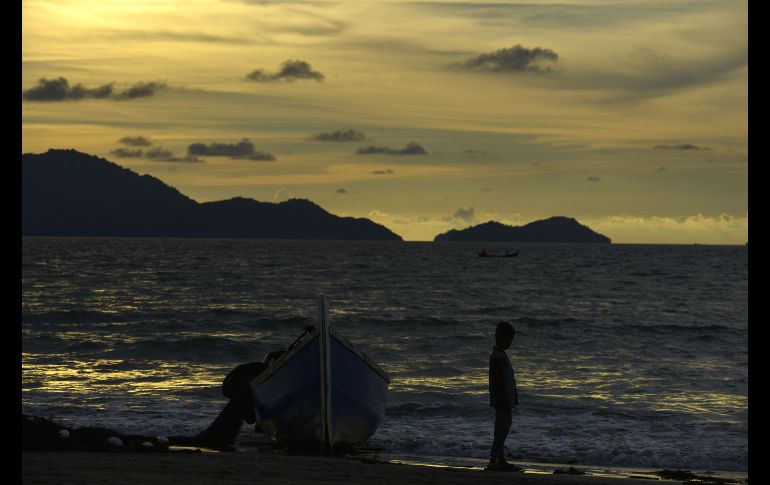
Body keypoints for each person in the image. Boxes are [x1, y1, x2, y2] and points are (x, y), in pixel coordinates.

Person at [486, 321, 520, 471]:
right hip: (502, 401)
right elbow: (499, 383)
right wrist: (504, 400)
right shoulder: (498, 357)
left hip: (503, 400)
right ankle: (494, 460)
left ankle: (500, 459)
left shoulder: (499, 355)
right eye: (509, 339)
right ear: (501, 337)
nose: (510, 343)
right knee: (502, 430)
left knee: (501, 429)